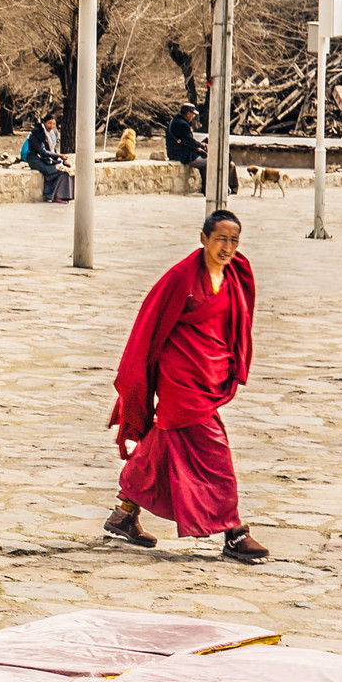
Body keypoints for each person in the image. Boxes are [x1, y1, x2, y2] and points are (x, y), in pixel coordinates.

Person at [103, 209, 269, 564]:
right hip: (180, 375)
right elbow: (150, 324)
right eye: (220, 239)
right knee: (214, 449)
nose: (227, 248)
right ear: (203, 238)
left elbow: (237, 321)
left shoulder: (235, 275)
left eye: (234, 241)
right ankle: (234, 532)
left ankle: (125, 511)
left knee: (165, 441)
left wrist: (227, 362)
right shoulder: (181, 277)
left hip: (208, 371)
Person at [165, 104, 237, 194]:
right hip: (181, 155)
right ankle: (211, 189)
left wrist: (201, 145)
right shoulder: (181, 124)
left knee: (215, 161)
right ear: (188, 114)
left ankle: (220, 188)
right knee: (210, 163)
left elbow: (188, 140)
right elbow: (189, 142)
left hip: (179, 152)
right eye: (193, 114)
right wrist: (202, 146)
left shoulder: (176, 121)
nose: (193, 117)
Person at [26, 115, 75, 203]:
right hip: (36, 160)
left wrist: (62, 160)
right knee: (60, 170)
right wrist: (59, 156)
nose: (51, 126)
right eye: (49, 123)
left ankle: (61, 196)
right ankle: (56, 196)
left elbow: (52, 149)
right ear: (44, 123)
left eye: (53, 124)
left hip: (46, 159)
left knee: (67, 172)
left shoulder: (52, 133)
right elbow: (42, 151)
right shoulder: (37, 134)